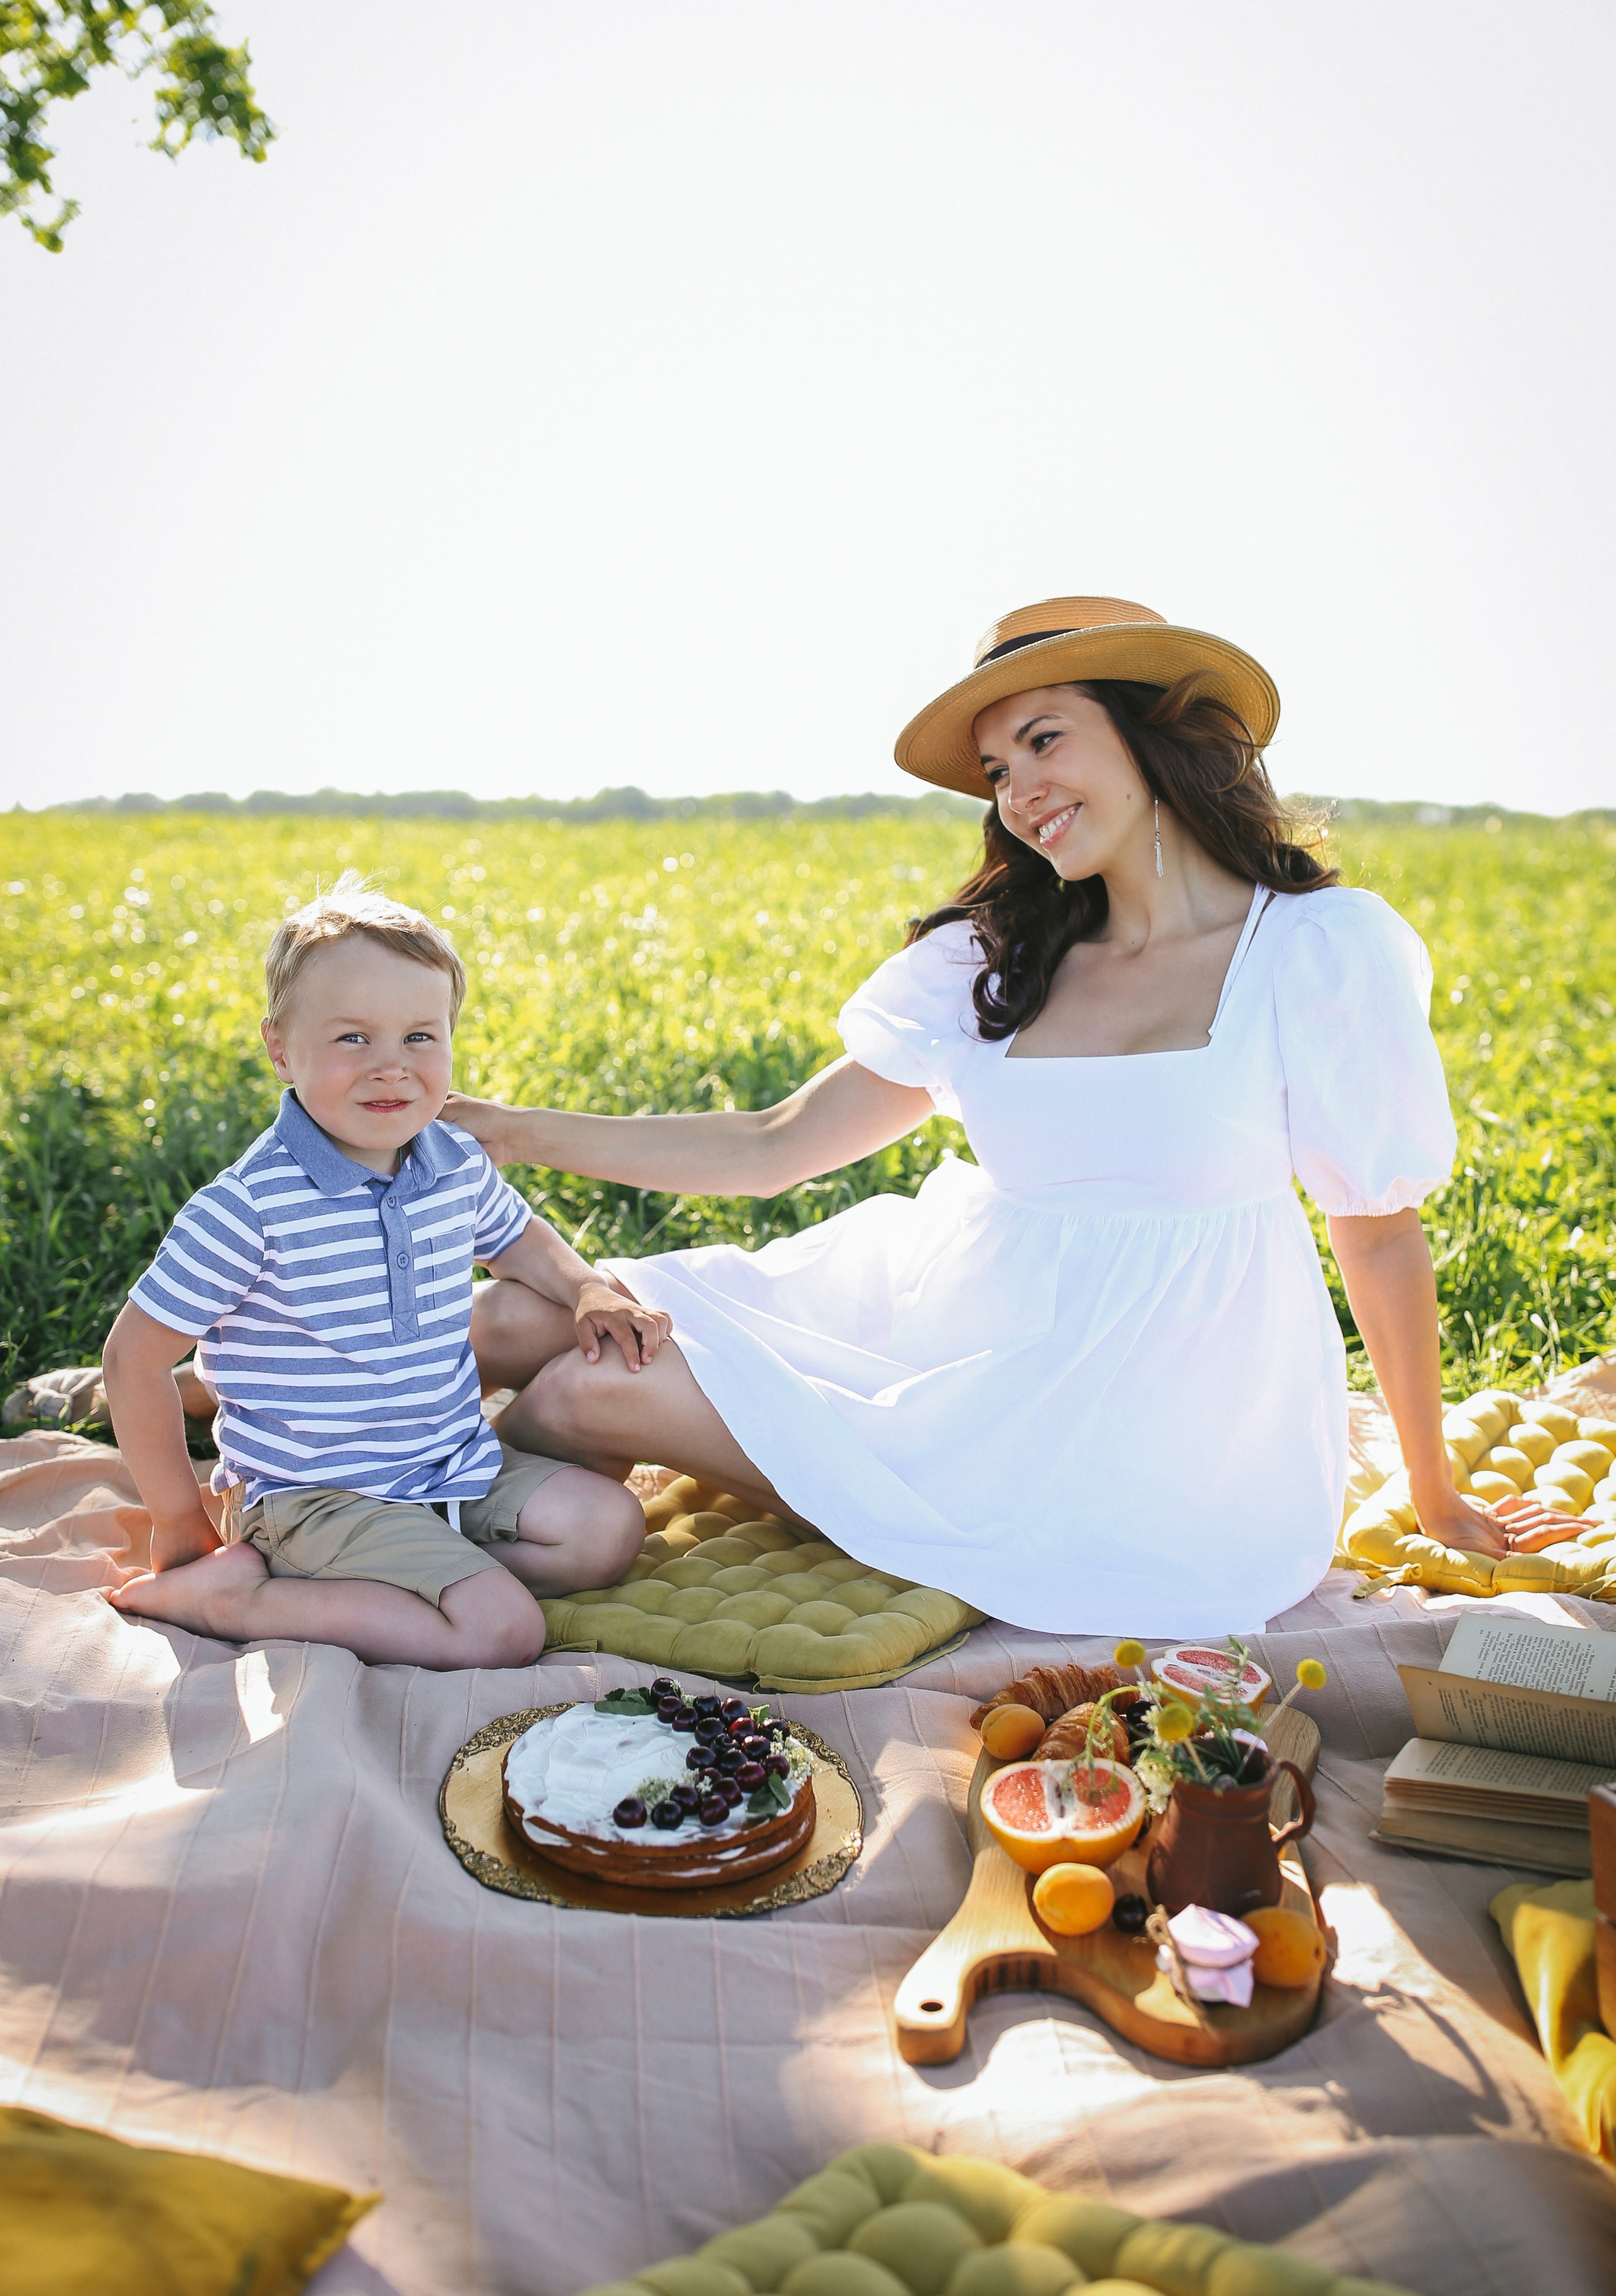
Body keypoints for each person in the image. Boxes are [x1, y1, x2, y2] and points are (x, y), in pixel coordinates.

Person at [446, 597, 1512, 1635]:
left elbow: (1375, 1230)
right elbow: (777, 1145)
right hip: (938, 1325)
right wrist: (515, 1129)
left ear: (1156, 738)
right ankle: (440, 1488)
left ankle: (442, 1502)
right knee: (513, 1319)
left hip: (1125, 1420)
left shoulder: (1317, 950)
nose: (1020, 790)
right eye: (1000, 770)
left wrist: (1435, 1487)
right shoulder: (1000, 957)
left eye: (1046, 740)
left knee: (592, 1387)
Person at [102, 874, 649, 1668]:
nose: (392, 1068)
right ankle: (242, 1597)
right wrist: (177, 1516)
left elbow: (515, 1237)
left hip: (443, 1464)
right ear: (280, 1048)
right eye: (354, 1038)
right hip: (315, 1497)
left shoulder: (451, 1160)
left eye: (419, 1038)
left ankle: (405, 1583)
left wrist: (584, 1285)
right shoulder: (251, 1205)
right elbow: (134, 1356)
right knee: (504, 1630)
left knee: (608, 1531)